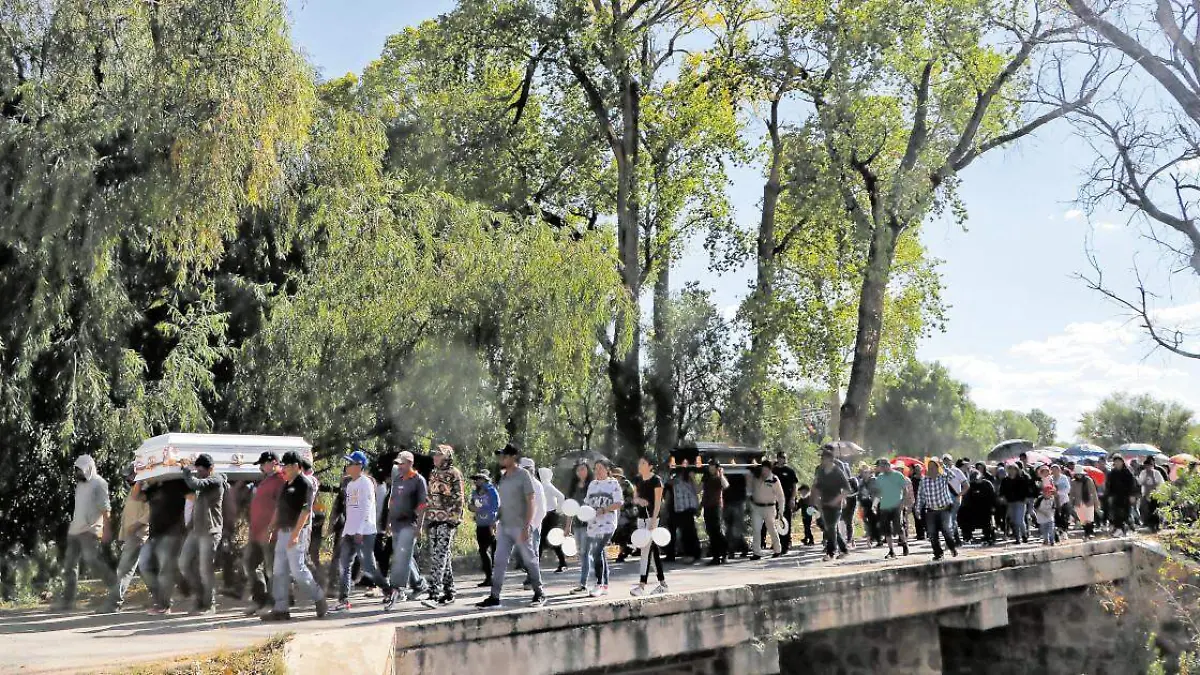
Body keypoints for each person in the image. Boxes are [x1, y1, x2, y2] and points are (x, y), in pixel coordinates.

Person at [476, 443, 546, 608]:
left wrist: (527, 526)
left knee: (529, 560)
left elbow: (532, 502)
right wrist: (496, 518)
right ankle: (494, 596)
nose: (501, 458)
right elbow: (503, 502)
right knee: (499, 561)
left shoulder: (523, 475)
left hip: (520, 526)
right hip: (504, 527)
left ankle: (539, 592)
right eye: (501, 456)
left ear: (513, 457)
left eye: (504, 456)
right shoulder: (503, 476)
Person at [261, 451, 327, 621]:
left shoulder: (305, 484)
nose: (283, 469)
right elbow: (278, 508)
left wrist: (296, 534)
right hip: (282, 532)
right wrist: (270, 528)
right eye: (283, 465)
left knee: (298, 570)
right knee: (279, 571)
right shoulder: (285, 484)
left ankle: (319, 597)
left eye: (287, 466)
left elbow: (306, 510)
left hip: (297, 531)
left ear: (296, 466)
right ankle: (281, 608)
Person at [56, 455, 118, 611]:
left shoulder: (99, 483)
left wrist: (106, 530)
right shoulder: (80, 485)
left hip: (90, 529)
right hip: (75, 529)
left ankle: (116, 589)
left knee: (92, 560)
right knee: (69, 566)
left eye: (80, 470)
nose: (77, 473)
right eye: (76, 470)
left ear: (88, 469)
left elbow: (106, 509)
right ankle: (68, 602)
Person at [332, 450, 391, 612]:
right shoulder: (350, 484)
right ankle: (343, 600)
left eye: (350, 464)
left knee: (368, 566)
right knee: (344, 565)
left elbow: (366, 509)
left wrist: (359, 530)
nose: (347, 467)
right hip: (350, 531)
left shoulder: (365, 483)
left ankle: (388, 590)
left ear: (359, 466)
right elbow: (351, 510)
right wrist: (347, 530)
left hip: (365, 532)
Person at [177, 453, 228, 614]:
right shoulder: (203, 482)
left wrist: (185, 469)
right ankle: (199, 598)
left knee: (205, 569)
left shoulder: (215, 480)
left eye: (201, 470)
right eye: (196, 469)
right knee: (183, 563)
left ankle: (209, 604)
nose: (198, 472)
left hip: (211, 531)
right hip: (196, 531)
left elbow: (194, 483)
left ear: (210, 469)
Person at [242, 451, 285, 615]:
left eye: (263, 463)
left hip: (270, 534)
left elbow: (280, 507)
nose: (261, 467)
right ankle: (259, 599)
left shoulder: (281, 480)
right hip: (256, 532)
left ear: (274, 462)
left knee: (271, 570)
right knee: (249, 564)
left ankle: (274, 604)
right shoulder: (265, 481)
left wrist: (271, 528)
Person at [141, 472, 190, 614]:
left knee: (164, 570)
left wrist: (187, 524)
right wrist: (139, 479)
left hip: (172, 533)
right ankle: (184, 590)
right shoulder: (155, 485)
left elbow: (192, 498)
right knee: (145, 565)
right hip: (154, 534)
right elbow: (137, 497)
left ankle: (163, 605)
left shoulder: (177, 482)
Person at [385, 451, 429, 607]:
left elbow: (423, 505)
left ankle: (398, 590)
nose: (399, 466)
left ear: (410, 463)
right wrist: (388, 522)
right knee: (404, 556)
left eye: (401, 463)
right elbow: (392, 502)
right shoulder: (397, 479)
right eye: (398, 464)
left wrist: (419, 526)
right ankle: (418, 584)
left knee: (401, 556)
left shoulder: (418, 481)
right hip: (396, 524)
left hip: (410, 524)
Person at [423, 444, 464, 606]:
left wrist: (453, 520)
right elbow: (429, 496)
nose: (435, 457)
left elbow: (459, 498)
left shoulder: (455, 474)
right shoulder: (433, 473)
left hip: (447, 521)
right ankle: (449, 591)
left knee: (439, 556)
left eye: (438, 455)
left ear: (446, 457)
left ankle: (434, 593)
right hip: (433, 519)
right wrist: (426, 515)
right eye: (434, 455)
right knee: (442, 556)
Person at [108, 463, 150, 612]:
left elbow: (150, 512)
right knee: (145, 569)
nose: (127, 478)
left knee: (124, 569)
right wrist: (124, 534)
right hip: (131, 535)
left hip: (138, 534)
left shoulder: (145, 489)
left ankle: (114, 603)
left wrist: (138, 525)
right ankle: (161, 599)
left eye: (130, 475)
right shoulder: (135, 489)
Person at [583, 459, 623, 597]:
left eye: (600, 468)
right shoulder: (592, 485)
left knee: (596, 551)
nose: (597, 471)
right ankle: (605, 585)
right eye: (595, 468)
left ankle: (599, 584)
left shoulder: (613, 483)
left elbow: (619, 503)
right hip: (593, 525)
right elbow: (587, 503)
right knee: (600, 554)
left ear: (607, 469)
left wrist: (604, 509)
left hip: (608, 524)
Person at [631, 456, 668, 596]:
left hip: (652, 518)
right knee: (652, 551)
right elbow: (635, 497)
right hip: (641, 518)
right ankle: (663, 584)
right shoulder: (637, 479)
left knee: (645, 551)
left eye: (643, 463)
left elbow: (658, 502)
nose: (640, 465)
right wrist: (638, 500)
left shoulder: (656, 480)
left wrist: (653, 521)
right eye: (639, 462)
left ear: (650, 466)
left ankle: (641, 585)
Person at [812, 446, 851, 561]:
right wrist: (816, 499)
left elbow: (847, 489)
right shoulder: (821, 471)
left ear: (829, 459)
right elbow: (817, 486)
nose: (821, 460)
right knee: (831, 528)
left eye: (823, 458)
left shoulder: (837, 472)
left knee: (831, 527)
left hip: (836, 505)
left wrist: (837, 500)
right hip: (824, 503)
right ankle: (844, 550)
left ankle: (831, 552)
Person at [917, 458, 959, 561]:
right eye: (929, 468)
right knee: (932, 534)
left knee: (946, 530)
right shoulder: (924, 480)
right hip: (931, 510)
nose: (931, 470)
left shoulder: (943, 477)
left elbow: (952, 476)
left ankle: (952, 547)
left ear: (937, 468)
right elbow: (920, 496)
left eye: (934, 467)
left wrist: (943, 466)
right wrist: (918, 509)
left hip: (944, 509)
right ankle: (938, 554)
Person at [468, 471, 500, 588]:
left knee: (488, 550)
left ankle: (492, 577)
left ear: (484, 479)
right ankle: (489, 577)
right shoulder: (475, 492)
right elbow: (470, 505)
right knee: (483, 550)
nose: (475, 481)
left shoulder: (491, 490)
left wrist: (494, 521)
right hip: (480, 524)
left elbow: (496, 506)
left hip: (490, 524)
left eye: (478, 479)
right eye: (475, 479)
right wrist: (472, 508)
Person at [872, 459, 909, 558]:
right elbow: (879, 493)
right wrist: (875, 504)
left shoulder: (898, 475)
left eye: (881, 466)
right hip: (885, 506)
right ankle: (891, 550)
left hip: (896, 505)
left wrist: (902, 503)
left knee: (898, 526)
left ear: (887, 465)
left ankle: (904, 544)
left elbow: (905, 490)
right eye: (879, 467)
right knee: (886, 529)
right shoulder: (879, 478)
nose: (880, 468)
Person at [749, 461, 785, 560]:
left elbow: (780, 497)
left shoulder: (774, 479)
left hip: (770, 508)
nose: (764, 471)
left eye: (766, 469)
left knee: (771, 529)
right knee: (756, 529)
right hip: (757, 507)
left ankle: (777, 550)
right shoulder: (756, 477)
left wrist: (781, 511)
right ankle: (757, 552)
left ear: (770, 469)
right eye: (763, 468)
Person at [567, 462, 594, 594]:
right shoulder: (574, 487)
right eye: (578, 470)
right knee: (581, 553)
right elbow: (570, 508)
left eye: (583, 469)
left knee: (585, 553)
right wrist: (568, 527)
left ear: (588, 470)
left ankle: (583, 584)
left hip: (589, 525)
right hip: (577, 525)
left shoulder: (592, 486)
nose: (581, 472)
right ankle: (594, 577)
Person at [668, 467, 702, 562]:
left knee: (689, 532)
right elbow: (668, 482)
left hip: (688, 508)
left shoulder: (689, 480)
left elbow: (697, 490)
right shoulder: (675, 480)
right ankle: (693, 553)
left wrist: (692, 477)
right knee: (687, 532)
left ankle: (692, 554)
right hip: (680, 509)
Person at [700, 459, 729, 564]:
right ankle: (716, 556)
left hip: (717, 506)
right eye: (709, 467)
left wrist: (721, 475)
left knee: (718, 530)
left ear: (717, 468)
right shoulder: (706, 477)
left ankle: (724, 553)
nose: (710, 469)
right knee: (710, 531)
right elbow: (700, 489)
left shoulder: (719, 477)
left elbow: (726, 486)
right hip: (707, 506)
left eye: (713, 467)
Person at [960, 470, 997, 546]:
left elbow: (993, 497)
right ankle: (967, 537)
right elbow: (966, 499)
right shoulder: (971, 485)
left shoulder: (987, 484)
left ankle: (988, 537)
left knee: (987, 522)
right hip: (973, 508)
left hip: (986, 508)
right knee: (964, 517)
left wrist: (993, 507)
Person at [999, 464, 1032, 544]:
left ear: (1017, 470)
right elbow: (1002, 491)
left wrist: (1027, 498)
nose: (1012, 471)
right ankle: (1018, 538)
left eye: (1014, 469)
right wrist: (1002, 497)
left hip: (1021, 502)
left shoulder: (1021, 479)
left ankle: (1023, 535)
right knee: (1014, 521)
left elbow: (1027, 490)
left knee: (1019, 520)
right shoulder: (1005, 480)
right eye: (1010, 469)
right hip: (1010, 502)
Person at [773, 452, 799, 554]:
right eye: (780, 457)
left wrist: (793, 498)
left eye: (784, 457)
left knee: (786, 521)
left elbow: (794, 486)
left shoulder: (789, 471)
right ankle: (778, 543)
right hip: (775, 499)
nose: (782, 459)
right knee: (777, 521)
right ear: (777, 458)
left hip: (787, 499)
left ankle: (786, 543)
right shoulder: (773, 470)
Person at [1106, 455, 1137, 536]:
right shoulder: (1112, 473)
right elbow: (1109, 485)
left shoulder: (1127, 472)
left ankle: (1131, 528)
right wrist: (1109, 495)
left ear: (1122, 462)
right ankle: (1119, 529)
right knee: (1116, 513)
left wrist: (1132, 495)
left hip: (1126, 496)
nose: (1117, 463)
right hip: (1116, 496)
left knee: (1126, 514)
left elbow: (1132, 484)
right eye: (1115, 462)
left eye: (1119, 461)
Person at [944, 456, 968, 546]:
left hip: (955, 499)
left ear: (951, 461)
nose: (946, 462)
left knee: (951, 518)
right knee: (949, 519)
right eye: (944, 460)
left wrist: (959, 495)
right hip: (945, 499)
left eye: (948, 460)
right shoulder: (941, 472)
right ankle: (956, 540)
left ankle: (954, 540)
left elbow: (966, 485)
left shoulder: (957, 471)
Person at [1070, 468, 1099, 539]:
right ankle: (1086, 533)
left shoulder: (1088, 480)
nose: (1079, 475)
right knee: (1083, 519)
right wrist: (1070, 503)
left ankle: (1090, 533)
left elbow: (1094, 492)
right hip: (1078, 502)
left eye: (1080, 474)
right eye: (1077, 474)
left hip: (1088, 501)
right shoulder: (1073, 482)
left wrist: (1096, 503)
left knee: (1089, 518)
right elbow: (1071, 493)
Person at [1139, 457, 1166, 533]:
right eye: (1146, 466)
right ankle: (1148, 524)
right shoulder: (1143, 473)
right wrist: (1145, 480)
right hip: (1146, 493)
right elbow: (1140, 482)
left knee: (1155, 509)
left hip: (1155, 494)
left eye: (1149, 466)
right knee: (1145, 509)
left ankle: (1156, 525)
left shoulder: (1157, 473)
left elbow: (1161, 483)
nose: (1147, 467)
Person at [856, 464, 879, 547]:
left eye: (866, 472)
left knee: (875, 521)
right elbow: (859, 493)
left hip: (874, 503)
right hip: (865, 504)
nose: (864, 474)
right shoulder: (861, 482)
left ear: (869, 472)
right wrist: (860, 503)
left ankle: (877, 538)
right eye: (863, 472)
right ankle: (871, 538)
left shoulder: (874, 480)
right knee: (867, 521)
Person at [1050, 464, 1072, 541]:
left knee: (1065, 516)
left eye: (1056, 469)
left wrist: (1058, 493)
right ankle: (1060, 531)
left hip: (1064, 500)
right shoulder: (1050, 479)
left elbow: (1068, 488)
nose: (1054, 471)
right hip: (1054, 501)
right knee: (1057, 517)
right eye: (1053, 469)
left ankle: (1065, 532)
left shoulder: (1064, 478)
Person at [909, 462, 926, 540]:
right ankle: (920, 534)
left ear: (921, 469)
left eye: (919, 469)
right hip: (915, 500)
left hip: (925, 500)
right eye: (916, 469)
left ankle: (927, 532)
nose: (918, 470)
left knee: (925, 517)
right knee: (916, 517)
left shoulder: (925, 478)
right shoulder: (912, 479)